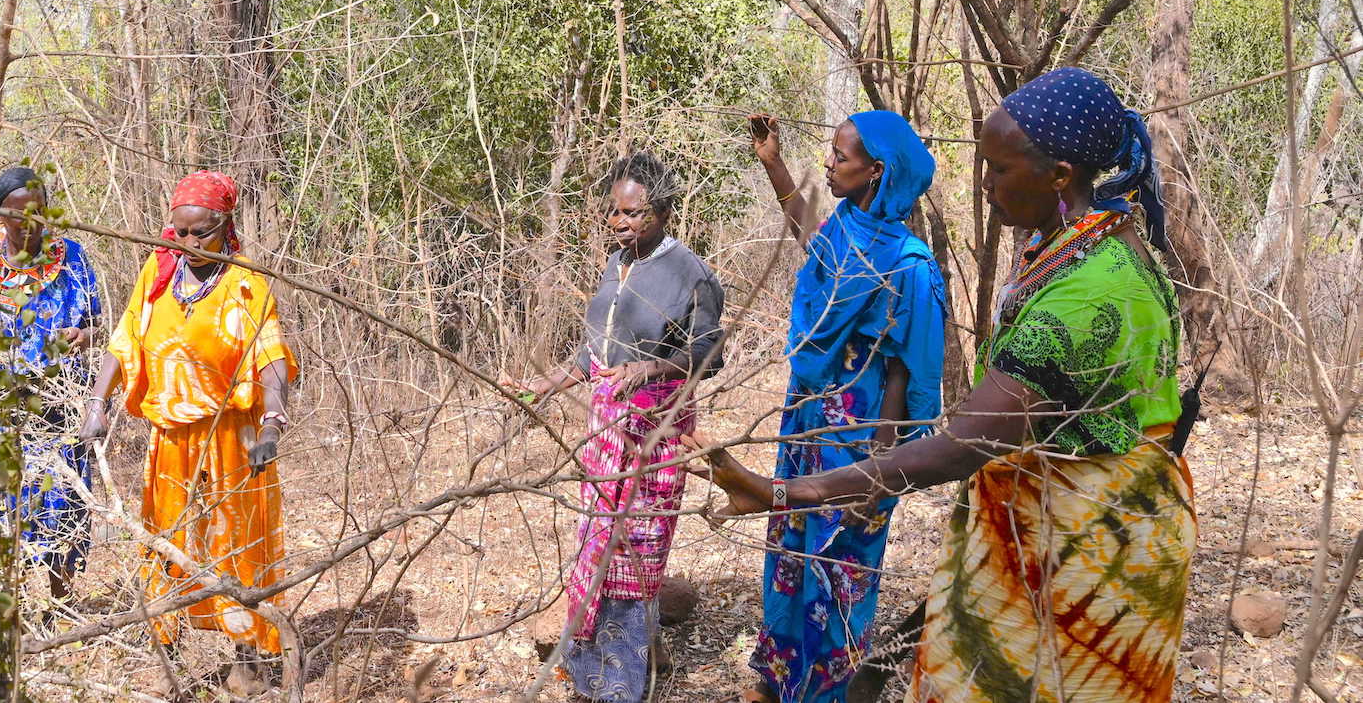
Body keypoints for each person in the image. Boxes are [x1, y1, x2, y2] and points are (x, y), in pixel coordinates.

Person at [699, 68, 1193, 703]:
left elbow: (964, 439)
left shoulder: (1087, 287)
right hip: (1033, 523)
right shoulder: (1076, 247)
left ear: (1060, 176)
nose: (984, 187)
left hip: (1089, 550)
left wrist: (784, 492)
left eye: (998, 170)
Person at [740, 111, 947, 703]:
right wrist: (774, 164)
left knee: (840, 575)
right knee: (791, 554)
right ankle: (780, 679)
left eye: (840, 157)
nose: (829, 163)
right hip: (806, 425)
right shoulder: (845, 228)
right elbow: (810, 232)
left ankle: (825, 692)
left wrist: (878, 476)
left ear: (876, 170)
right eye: (830, 153)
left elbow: (907, 374)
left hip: (857, 444)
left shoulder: (910, 266)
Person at [503, 151, 725, 703]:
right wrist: (546, 384)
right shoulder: (614, 262)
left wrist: (647, 368)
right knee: (599, 540)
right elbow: (594, 349)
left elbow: (709, 351)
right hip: (608, 422)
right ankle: (602, 666)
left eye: (634, 214)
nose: (620, 223)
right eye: (614, 213)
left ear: (663, 211)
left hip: (654, 423)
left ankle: (621, 684)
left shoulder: (689, 272)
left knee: (636, 545)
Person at [80, 170, 296, 697]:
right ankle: (168, 654)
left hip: (232, 436)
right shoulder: (158, 269)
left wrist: (271, 423)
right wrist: (98, 402)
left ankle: (247, 658)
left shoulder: (246, 282)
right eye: (182, 232)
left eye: (203, 232)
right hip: (170, 438)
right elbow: (126, 336)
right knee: (166, 541)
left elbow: (269, 354)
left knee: (239, 543)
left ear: (226, 225)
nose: (192, 244)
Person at [0, 165, 104, 601]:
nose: (32, 223)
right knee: (4, 504)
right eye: (20, 215)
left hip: (61, 403)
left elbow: (96, 322)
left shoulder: (71, 258)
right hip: (0, 411)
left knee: (64, 502)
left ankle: (62, 601)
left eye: (40, 212)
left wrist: (82, 336)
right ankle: (9, 604)